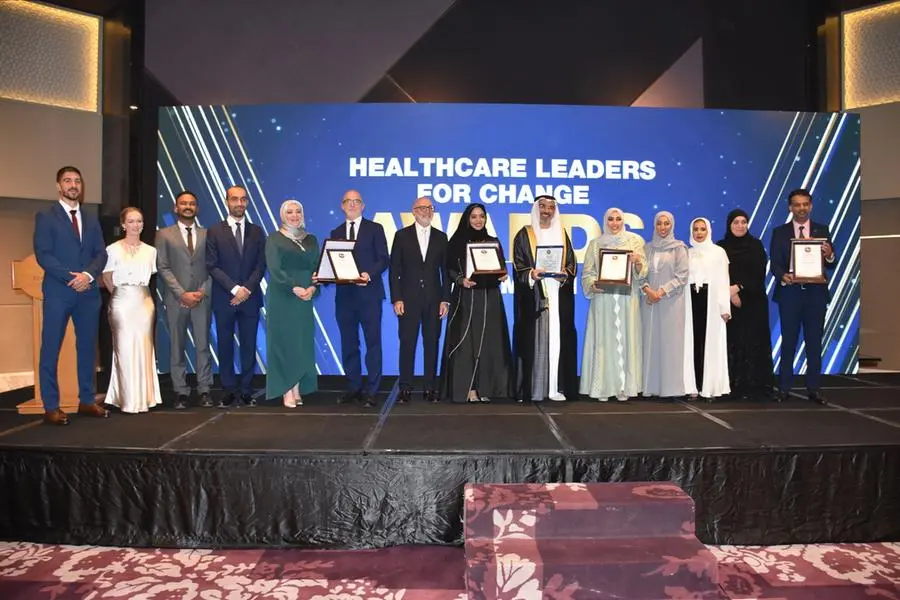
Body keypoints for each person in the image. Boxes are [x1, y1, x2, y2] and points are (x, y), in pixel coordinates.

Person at [33, 166, 110, 425]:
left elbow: (101, 253)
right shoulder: (46, 217)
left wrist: (87, 276)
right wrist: (70, 277)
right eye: (67, 181)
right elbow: (43, 254)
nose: (73, 185)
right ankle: (51, 406)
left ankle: (86, 400)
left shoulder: (91, 219)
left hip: (88, 293)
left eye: (77, 181)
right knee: (50, 348)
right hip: (59, 292)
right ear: (59, 186)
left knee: (87, 348)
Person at [441, 203, 514, 403]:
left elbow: (500, 267)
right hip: (467, 298)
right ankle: (470, 388)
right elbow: (449, 269)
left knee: (489, 342)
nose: (478, 220)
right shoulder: (456, 241)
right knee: (467, 344)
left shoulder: (492, 241)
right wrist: (460, 280)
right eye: (473, 216)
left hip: (490, 297)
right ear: (467, 219)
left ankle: (486, 388)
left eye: (481, 216)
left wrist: (503, 274)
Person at [770, 188, 836, 405]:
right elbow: (774, 263)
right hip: (790, 294)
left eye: (805, 204)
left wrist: (829, 255)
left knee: (814, 344)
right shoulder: (780, 232)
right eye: (797, 204)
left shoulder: (822, 230)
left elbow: (831, 262)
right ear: (790, 207)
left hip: (816, 295)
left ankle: (814, 389)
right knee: (788, 343)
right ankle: (783, 388)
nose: (801, 208)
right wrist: (783, 275)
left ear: (811, 206)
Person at [511, 195, 578, 402]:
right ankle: (533, 389)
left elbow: (571, 263)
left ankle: (555, 389)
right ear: (536, 209)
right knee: (535, 341)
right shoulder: (525, 234)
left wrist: (565, 274)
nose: (546, 211)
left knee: (558, 340)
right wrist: (531, 274)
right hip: (534, 296)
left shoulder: (562, 234)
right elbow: (519, 266)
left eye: (550, 207)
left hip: (558, 294)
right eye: (542, 206)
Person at [326, 190, 389, 408]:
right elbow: (332, 264)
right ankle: (353, 388)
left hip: (369, 295)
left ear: (363, 206)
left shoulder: (375, 229)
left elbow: (384, 259)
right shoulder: (336, 232)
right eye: (348, 201)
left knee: (373, 343)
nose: (352, 205)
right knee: (349, 344)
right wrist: (322, 277)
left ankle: (372, 390)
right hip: (345, 297)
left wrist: (368, 275)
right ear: (342, 206)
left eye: (356, 201)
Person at [206, 185, 267, 408]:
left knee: (249, 346)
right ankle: (229, 390)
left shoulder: (257, 231)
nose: (239, 203)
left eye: (243, 199)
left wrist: (246, 289)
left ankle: (247, 390)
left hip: (250, 299)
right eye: (234, 199)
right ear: (227, 202)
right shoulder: (214, 231)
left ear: (247, 202)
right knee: (225, 345)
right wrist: (234, 289)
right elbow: (212, 265)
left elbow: (261, 265)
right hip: (225, 299)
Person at [580, 207, 648, 402]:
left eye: (618, 219)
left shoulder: (635, 242)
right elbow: (587, 272)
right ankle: (603, 387)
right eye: (611, 219)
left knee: (627, 339)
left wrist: (637, 262)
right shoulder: (595, 244)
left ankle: (624, 387)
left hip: (627, 298)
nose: (615, 223)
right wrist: (592, 284)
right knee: (604, 341)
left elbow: (643, 273)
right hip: (604, 299)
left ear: (623, 221)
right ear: (605, 221)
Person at [389, 196, 450, 403]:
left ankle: (430, 387)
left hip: (434, 299)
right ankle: (405, 387)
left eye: (429, 208)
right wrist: (396, 298)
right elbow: (394, 270)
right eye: (421, 208)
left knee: (432, 343)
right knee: (407, 343)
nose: (426, 211)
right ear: (413, 211)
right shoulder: (401, 236)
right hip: (407, 299)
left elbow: (445, 271)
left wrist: (445, 299)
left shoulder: (441, 237)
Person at [102, 207, 163, 413]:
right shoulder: (112, 249)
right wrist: (121, 295)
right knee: (124, 348)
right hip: (122, 301)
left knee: (144, 348)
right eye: (131, 221)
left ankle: (145, 398)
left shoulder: (151, 251)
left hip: (144, 302)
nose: (136, 225)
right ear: (123, 224)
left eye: (139, 221)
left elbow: (150, 276)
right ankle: (126, 399)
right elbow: (107, 278)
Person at [156, 190, 213, 409]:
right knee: (177, 346)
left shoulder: (207, 234)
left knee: (203, 346)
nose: (188, 206)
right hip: (175, 299)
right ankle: (180, 391)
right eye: (183, 203)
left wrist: (201, 292)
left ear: (197, 208)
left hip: (202, 298)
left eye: (192, 203)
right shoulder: (163, 235)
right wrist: (182, 294)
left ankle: (204, 389)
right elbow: (162, 266)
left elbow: (213, 266)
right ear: (176, 207)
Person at [265, 200, 319, 407]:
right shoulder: (274, 239)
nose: (294, 215)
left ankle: (296, 387)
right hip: (283, 297)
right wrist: (294, 287)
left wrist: (313, 288)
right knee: (284, 342)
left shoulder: (311, 239)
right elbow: (275, 270)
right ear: (282, 215)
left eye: (298, 211)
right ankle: (286, 389)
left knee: (301, 343)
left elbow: (317, 269)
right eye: (290, 212)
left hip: (305, 298)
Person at [716, 209, 774, 399]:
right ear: (729, 225)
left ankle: (757, 385)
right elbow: (716, 273)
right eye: (736, 222)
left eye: (743, 222)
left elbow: (758, 272)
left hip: (753, 302)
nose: (740, 226)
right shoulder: (721, 247)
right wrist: (729, 293)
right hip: (729, 302)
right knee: (733, 342)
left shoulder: (756, 245)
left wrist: (738, 288)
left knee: (754, 342)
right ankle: (733, 385)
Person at [641, 211, 693, 399]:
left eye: (666, 224)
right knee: (650, 343)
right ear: (654, 226)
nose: (663, 228)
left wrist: (660, 292)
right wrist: (648, 290)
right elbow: (640, 275)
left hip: (671, 303)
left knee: (671, 345)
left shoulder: (679, 248)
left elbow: (682, 277)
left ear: (672, 226)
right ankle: (650, 387)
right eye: (659, 224)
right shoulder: (647, 248)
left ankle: (671, 388)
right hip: (649, 301)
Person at [686, 217, 731, 401]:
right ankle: (692, 386)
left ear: (708, 231)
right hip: (690, 301)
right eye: (695, 229)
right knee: (692, 344)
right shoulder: (687, 253)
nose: (699, 233)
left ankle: (709, 387)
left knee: (710, 344)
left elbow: (723, 280)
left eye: (702, 229)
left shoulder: (718, 252)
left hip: (711, 301)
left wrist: (724, 307)